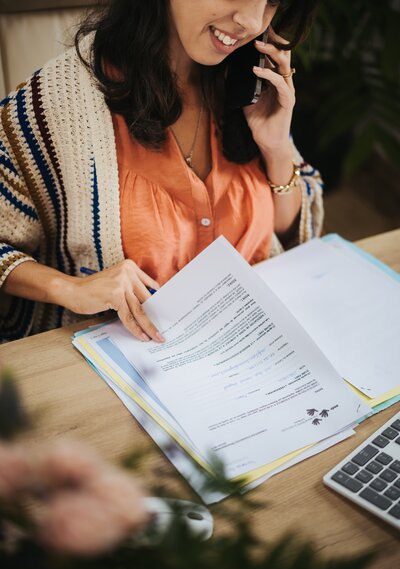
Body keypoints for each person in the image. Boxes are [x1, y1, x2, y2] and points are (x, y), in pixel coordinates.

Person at [0, 0, 323, 343]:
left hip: (254, 350)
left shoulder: (251, 86)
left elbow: (295, 239)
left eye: (271, 1)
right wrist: (71, 289)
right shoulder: (59, 102)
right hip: (120, 366)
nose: (251, 20)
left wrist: (275, 149)